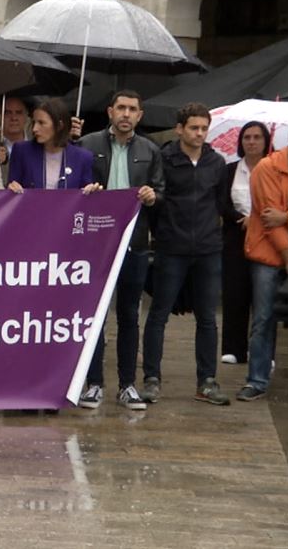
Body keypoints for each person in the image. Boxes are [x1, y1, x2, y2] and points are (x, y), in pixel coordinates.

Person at [75, 90, 164, 410]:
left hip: (135, 243)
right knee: (95, 316)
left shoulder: (151, 150)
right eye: (121, 108)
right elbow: (73, 191)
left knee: (129, 316)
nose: (126, 114)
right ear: (110, 111)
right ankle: (94, 384)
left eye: (132, 109)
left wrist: (154, 196)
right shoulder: (87, 145)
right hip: (96, 244)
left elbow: (162, 192)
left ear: (140, 116)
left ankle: (127, 385)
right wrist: (88, 192)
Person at [139, 102, 230, 406]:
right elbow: (156, 198)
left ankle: (207, 381)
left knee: (207, 318)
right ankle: (152, 378)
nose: (200, 133)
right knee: (158, 314)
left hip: (207, 249)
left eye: (204, 128)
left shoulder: (216, 163)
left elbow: (218, 202)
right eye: (194, 127)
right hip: (171, 248)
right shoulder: (163, 157)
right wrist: (162, 234)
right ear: (180, 129)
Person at [235, 133, 288, 402]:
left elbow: (281, 216)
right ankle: (257, 380)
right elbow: (270, 217)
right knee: (263, 319)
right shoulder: (267, 167)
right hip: (267, 252)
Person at [219, 121, 270, 366]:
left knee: (264, 297)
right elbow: (222, 203)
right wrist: (241, 219)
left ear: (265, 141)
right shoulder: (229, 170)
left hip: (268, 238)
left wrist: (258, 219)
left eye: (257, 137)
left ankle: (263, 353)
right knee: (234, 293)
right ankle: (232, 348)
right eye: (247, 137)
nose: (251, 141)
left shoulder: (274, 169)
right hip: (236, 236)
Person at [7, 97, 98, 193]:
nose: (34, 129)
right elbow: (10, 191)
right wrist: (12, 187)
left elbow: (86, 196)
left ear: (59, 126)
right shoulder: (21, 151)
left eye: (41, 123)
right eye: (34, 122)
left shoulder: (83, 157)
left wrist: (92, 191)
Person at [0, 96, 30, 184]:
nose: (14, 118)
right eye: (8, 113)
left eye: (18, 112)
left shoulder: (38, 142)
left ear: (27, 115)